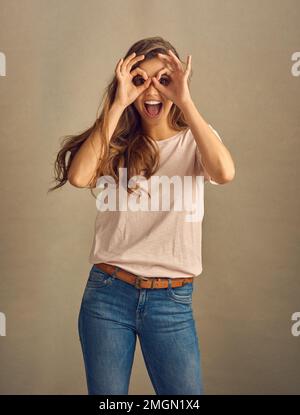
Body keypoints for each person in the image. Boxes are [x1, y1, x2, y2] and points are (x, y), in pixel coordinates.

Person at [49, 36, 235, 395]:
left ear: (178, 83)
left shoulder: (195, 140)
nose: (152, 90)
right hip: (107, 294)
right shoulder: (113, 140)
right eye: (140, 79)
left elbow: (224, 173)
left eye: (163, 79)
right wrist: (118, 104)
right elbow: (78, 177)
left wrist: (185, 101)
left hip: (172, 301)